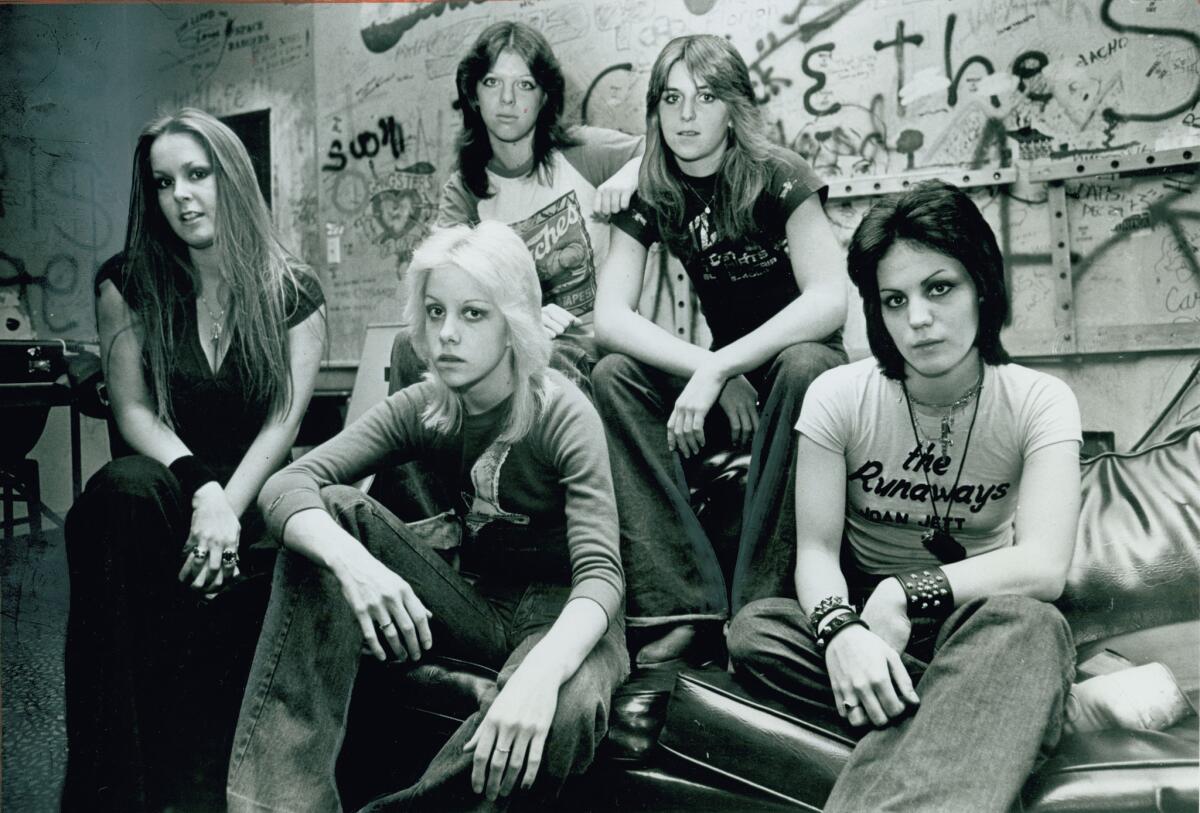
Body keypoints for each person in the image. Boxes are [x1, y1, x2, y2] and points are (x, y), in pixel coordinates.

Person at [226, 222, 628, 813]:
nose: (446, 335)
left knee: (561, 712)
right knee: (331, 514)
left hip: (565, 613)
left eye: (472, 315)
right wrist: (356, 567)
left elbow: (602, 576)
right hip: (475, 601)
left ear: (514, 320)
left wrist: (540, 676)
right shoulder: (428, 404)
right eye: (436, 312)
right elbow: (290, 483)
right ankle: (277, 804)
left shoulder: (562, 411)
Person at [727, 180, 1082, 811]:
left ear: (982, 285)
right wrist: (841, 634)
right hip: (868, 626)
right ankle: (1025, 705)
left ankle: (1002, 689)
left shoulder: (1038, 401)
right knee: (756, 633)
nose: (917, 319)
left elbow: (1045, 566)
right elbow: (815, 551)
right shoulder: (837, 395)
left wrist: (905, 591)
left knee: (1031, 624)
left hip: (973, 617)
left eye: (938, 288)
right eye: (894, 300)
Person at [62, 108, 325, 811]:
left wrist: (229, 511)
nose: (180, 195)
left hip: (255, 505)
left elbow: (283, 421)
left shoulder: (293, 291)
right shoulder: (126, 284)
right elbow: (132, 410)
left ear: (231, 177)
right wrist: (203, 491)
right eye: (163, 181)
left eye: (197, 174)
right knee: (121, 490)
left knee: (308, 531)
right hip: (165, 497)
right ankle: (110, 793)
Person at [591, 34, 848, 664]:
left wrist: (726, 363)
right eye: (671, 99)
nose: (686, 115)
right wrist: (711, 367)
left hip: (799, 366)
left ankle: (762, 608)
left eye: (705, 98)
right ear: (654, 112)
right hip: (724, 370)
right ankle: (685, 603)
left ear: (733, 107)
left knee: (805, 365)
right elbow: (609, 318)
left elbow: (827, 301)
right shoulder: (656, 187)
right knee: (614, 375)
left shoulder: (778, 175)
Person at [391, 20, 643, 398]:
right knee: (407, 347)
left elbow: (663, 148)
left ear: (544, 97)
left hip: (591, 347)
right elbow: (442, 284)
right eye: (493, 83)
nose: (507, 100)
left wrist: (633, 171)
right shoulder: (465, 189)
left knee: (552, 360)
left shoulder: (584, 153)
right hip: (516, 342)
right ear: (474, 93)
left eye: (524, 85)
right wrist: (520, 321)